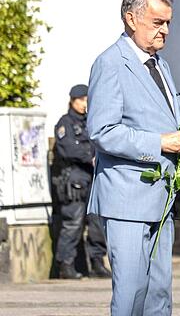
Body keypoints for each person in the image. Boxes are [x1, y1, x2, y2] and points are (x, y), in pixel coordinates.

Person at [87, 0, 180, 315]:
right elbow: (102, 130)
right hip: (127, 198)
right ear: (130, 19)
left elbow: (167, 120)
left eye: (168, 23)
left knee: (159, 294)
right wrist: (159, 143)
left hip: (162, 195)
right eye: (157, 22)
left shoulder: (160, 65)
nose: (165, 30)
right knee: (131, 294)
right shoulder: (110, 63)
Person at [51, 84, 110, 279]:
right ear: (72, 100)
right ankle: (65, 265)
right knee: (73, 224)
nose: (85, 104)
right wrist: (89, 157)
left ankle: (97, 263)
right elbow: (67, 148)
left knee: (97, 224)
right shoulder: (64, 123)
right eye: (81, 100)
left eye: (87, 99)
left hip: (94, 180)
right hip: (74, 181)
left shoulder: (92, 122)